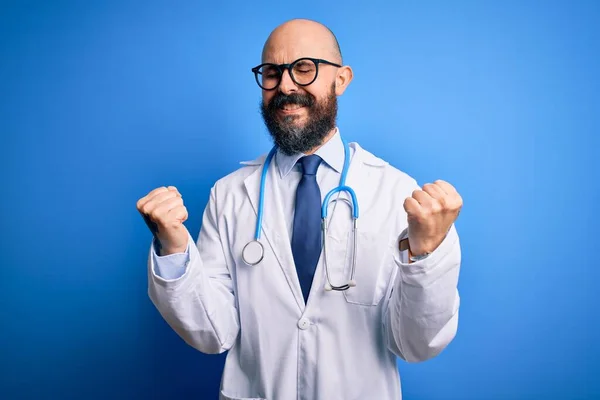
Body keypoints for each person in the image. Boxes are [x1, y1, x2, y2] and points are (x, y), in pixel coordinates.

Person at [136, 18, 463, 400]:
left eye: (304, 68)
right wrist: (173, 247)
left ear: (341, 79)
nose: (286, 85)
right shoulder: (228, 195)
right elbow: (213, 332)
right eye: (272, 73)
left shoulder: (397, 194)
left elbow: (416, 344)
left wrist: (426, 253)